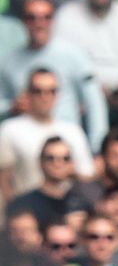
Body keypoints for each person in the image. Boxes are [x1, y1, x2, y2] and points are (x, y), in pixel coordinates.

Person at [0, 0, 109, 149]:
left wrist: (97, 147)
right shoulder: (9, 61)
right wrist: (11, 107)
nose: (39, 24)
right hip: (24, 146)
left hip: (66, 145)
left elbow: (94, 102)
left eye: (46, 17)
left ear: (53, 20)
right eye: (32, 18)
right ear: (23, 21)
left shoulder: (74, 55)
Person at [0, 68, 96, 200]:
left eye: (51, 91)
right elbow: (4, 180)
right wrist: (16, 214)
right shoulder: (10, 130)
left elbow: (87, 176)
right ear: (27, 93)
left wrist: (64, 169)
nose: (44, 97)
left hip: (67, 212)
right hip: (27, 213)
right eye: (38, 91)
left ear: (58, 94)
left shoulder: (73, 131)